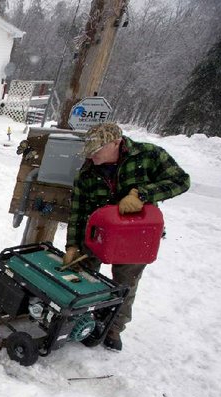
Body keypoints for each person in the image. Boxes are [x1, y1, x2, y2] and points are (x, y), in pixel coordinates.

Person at [63, 122, 190, 351]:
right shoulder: (87, 173)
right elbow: (78, 212)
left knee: (125, 284)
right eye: (89, 151)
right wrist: (72, 245)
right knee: (81, 275)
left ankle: (112, 327)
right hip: (98, 233)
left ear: (116, 143)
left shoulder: (149, 155)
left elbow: (181, 181)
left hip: (135, 234)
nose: (91, 156)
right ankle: (77, 318)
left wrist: (142, 194)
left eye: (96, 150)